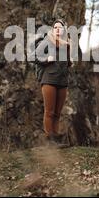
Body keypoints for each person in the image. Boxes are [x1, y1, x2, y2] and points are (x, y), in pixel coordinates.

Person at [35, 18, 74, 148]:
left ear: (64, 30)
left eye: (60, 27)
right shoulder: (47, 41)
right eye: (55, 27)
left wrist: (70, 61)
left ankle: (56, 140)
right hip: (49, 80)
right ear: (53, 30)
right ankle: (49, 141)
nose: (58, 29)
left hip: (62, 81)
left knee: (57, 113)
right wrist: (47, 59)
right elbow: (34, 56)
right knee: (49, 111)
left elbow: (68, 63)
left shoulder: (66, 43)